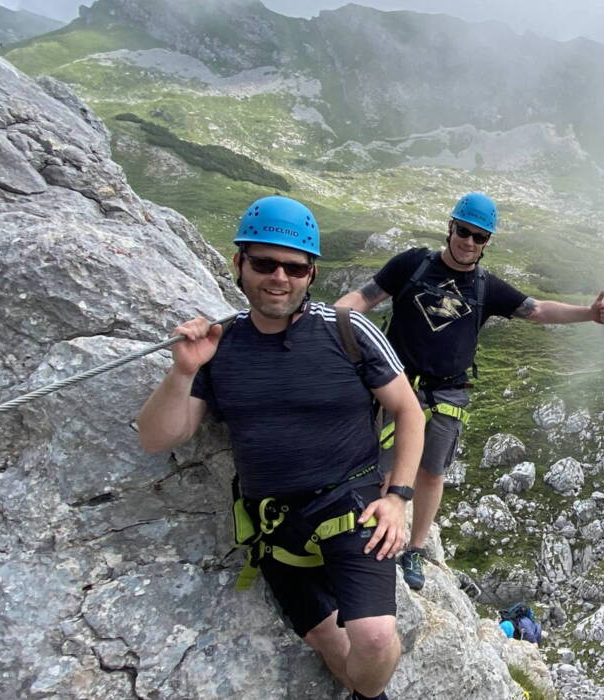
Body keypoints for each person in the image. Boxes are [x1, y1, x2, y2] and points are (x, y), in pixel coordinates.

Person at [136, 195, 425, 700]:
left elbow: (408, 411)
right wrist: (183, 371)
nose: (279, 278)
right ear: (239, 264)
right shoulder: (221, 347)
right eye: (264, 263)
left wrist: (399, 496)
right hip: (276, 526)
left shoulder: (347, 330)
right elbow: (157, 437)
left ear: (311, 274)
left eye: (294, 268)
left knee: (375, 639)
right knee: (328, 642)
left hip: (353, 507)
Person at [335, 191, 604, 590]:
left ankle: (414, 548)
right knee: (377, 462)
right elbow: (365, 297)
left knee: (432, 472)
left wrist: (586, 314)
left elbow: (536, 310)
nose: (468, 242)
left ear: (486, 243)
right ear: (450, 227)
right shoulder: (413, 264)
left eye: (479, 237)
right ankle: (369, 530)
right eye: (463, 231)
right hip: (395, 386)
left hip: (447, 395)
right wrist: (328, 320)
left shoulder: (486, 287)